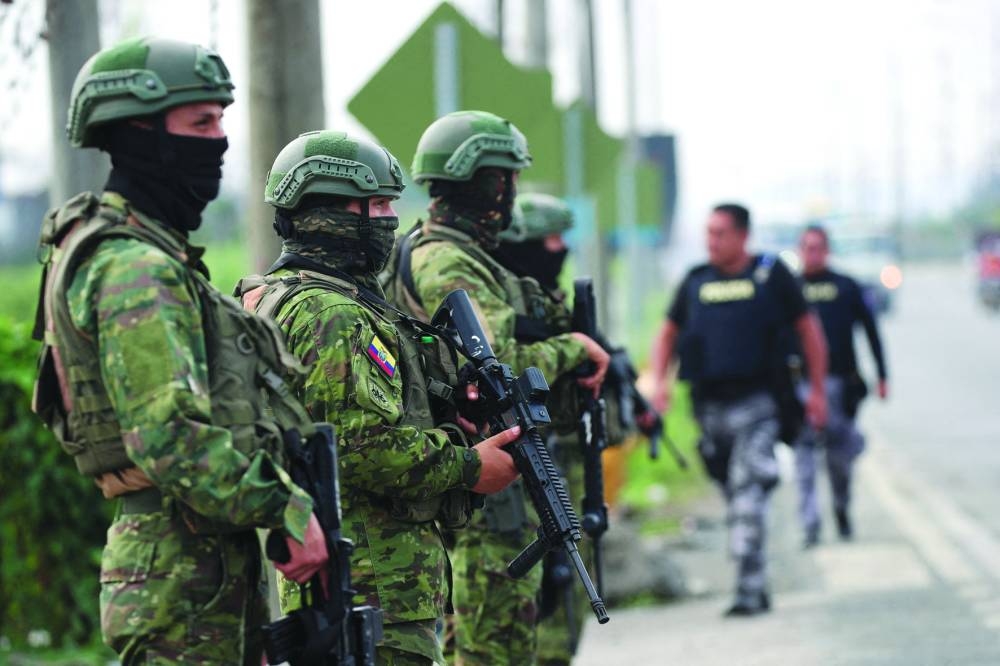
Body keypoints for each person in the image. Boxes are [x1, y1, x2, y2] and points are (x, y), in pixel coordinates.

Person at [31, 37, 327, 664]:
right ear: (140, 132)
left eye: (221, 119)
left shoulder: (144, 250)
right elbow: (166, 435)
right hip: (178, 580)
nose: (218, 141)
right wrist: (286, 509)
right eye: (201, 122)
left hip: (198, 568)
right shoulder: (134, 265)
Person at [236, 130, 523, 665]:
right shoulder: (331, 314)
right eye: (375, 204)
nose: (390, 219)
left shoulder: (292, 296)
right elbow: (357, 447)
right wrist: (468, 465)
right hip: (371, 585)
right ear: (325, 210)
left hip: (367, 581)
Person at [382, 110, 610, 665]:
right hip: (485, 473)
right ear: (485, 180)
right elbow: (499, 363)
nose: (511, 192)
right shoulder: (447, 261)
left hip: (492, 466)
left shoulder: (463, 255)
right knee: (494, 640)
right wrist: (576, 349)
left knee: (498, 637)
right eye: (506, 177)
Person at [649, 203, 829, 616]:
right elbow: (667, 334)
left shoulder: (771, 275)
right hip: (710, 410)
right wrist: (662, 384)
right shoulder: (696, 281)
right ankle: (755, 579)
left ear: (743, 236)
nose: (711, 241)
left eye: (720, 233)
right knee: (733, 491)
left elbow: (809, 331)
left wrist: (816, 391)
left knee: (748, 492)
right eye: (707, 233)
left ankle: (749, 589)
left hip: (760, 405)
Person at [796, 225, 889, 546]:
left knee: (839, 458)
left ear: (827, 250)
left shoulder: (845, 286)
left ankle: (841, 507)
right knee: (804, 454)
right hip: (802, 386)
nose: (812, 253)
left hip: (839, 384)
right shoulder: (790, 290)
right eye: (806, 247)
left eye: (818, 247)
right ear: (799, 250)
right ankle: (809, 522)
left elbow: (871, 331)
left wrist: (882, 375)